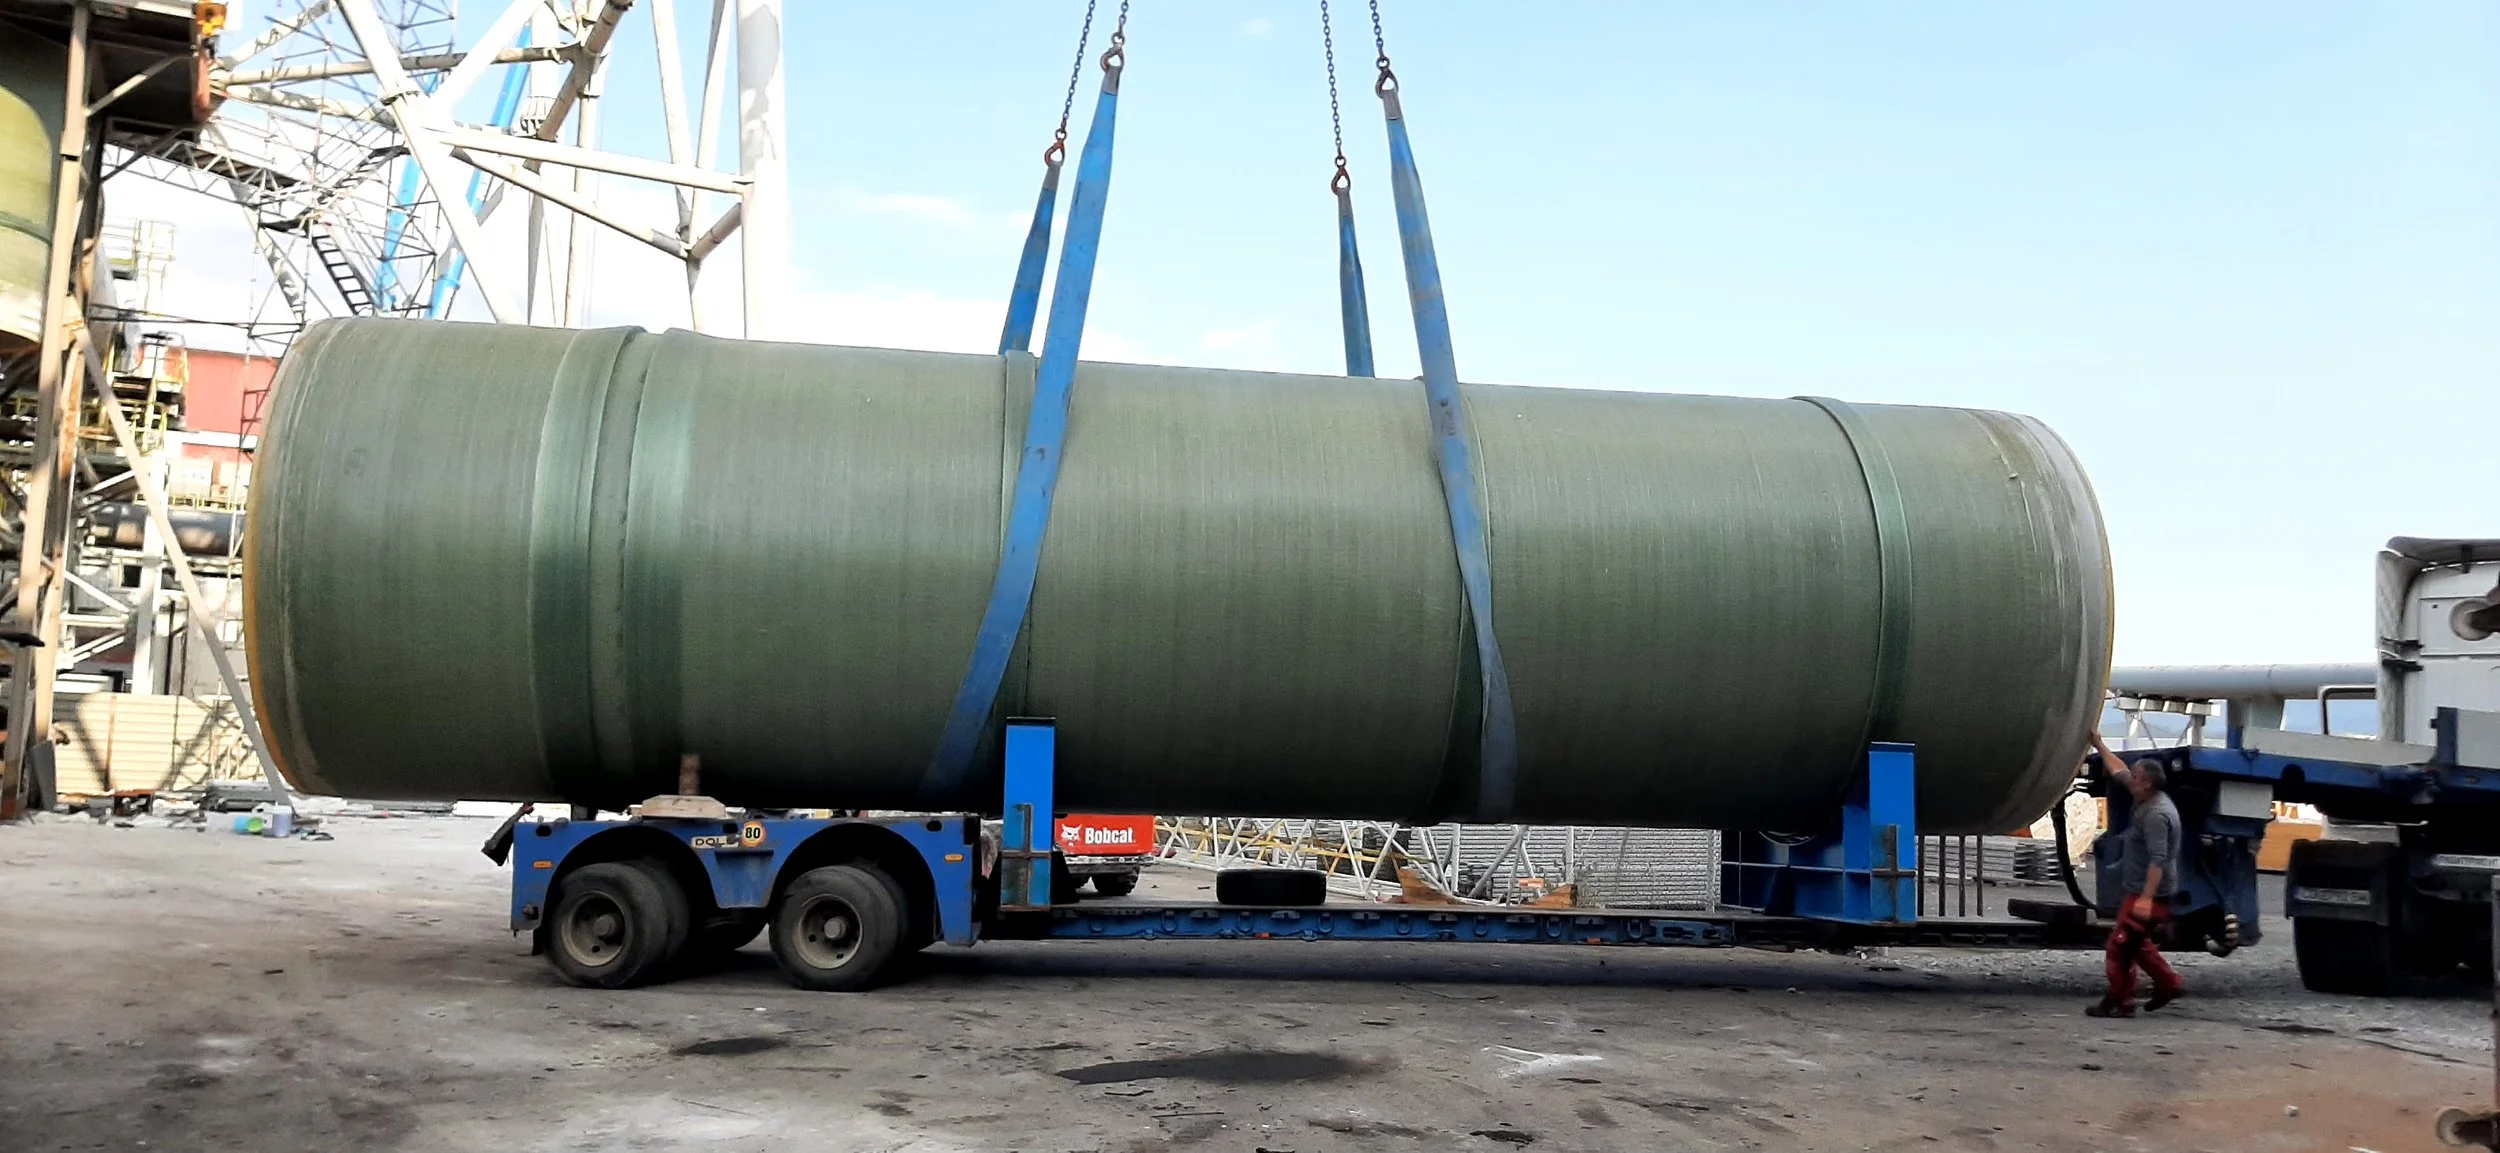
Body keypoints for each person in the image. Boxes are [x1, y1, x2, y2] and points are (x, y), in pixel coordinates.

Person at [2087, 731, 2184, 1017]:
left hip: (2149, 894)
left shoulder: (2157, 815)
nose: (2130, 779)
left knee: (2119, 947)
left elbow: (2159, 859)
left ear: (2148, 783)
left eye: (2136, 776)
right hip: (2141, 890)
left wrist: (2146, 899)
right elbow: (2118, 770)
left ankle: (2120, 1001)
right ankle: (2167, 984)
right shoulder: (2144, 796)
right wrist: (2099, 744)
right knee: (2136, 945)